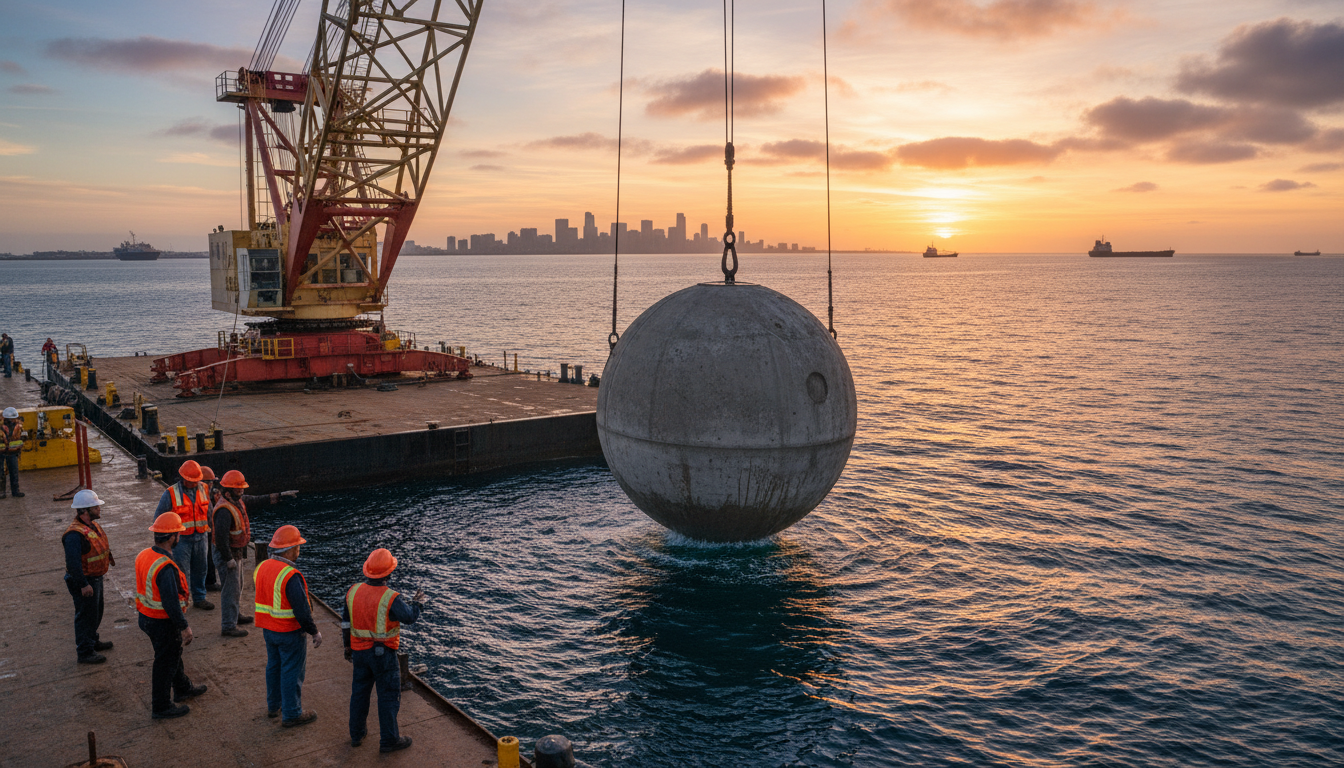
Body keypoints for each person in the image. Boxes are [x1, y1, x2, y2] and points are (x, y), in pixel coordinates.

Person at [343, 548, 424, 753]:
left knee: (359, 693)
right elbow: (408, 617)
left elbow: (345, 623)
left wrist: (347, 646)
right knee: (387, 696)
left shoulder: (353, 591)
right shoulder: (390, 597)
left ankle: (356, 734)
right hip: (383, 655)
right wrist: (418, 604)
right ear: (389, 573)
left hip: (359, 652)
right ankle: (389, 740)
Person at [135, 513, 208, 719]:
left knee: (171, 653)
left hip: (146, 617)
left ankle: (182, 687)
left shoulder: (145, 555)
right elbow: (170, 602)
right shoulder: (165, 567)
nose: (179, 538)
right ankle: (161, 706)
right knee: (165, 661)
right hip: (161, 621)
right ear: (171, 537)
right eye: (178, 534)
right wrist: (184, 626)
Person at [212, 470, 294, 638]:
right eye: (239, 488)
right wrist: (228, 559)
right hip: (227, 554)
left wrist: (278, 496)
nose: (242, 491)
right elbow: (221, 539)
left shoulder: (236, 501)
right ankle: (228, 625)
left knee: (238, 586)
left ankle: (235, 616)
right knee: (230, 589)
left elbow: (256, 500)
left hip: (235, 552)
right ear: (228, 491)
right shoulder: (224, 511)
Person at [255, 524, 323, 726]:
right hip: (289, 632)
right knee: (291, 671)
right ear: (290, 549)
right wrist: (314, 632)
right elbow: (301, 610)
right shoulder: (290, 575)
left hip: (268, 629)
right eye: (298, 546)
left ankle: (273, 706)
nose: (299, 550)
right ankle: (292, 713)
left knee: (274, 667)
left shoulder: (263, 567)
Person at [63, 489, 115, 664]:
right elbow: (73, 564)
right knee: (85, 616)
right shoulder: (74, 535)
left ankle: (92, 641)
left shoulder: (91, 525)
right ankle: (85, 652)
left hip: (95, 577)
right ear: (85, 510)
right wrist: (83, 584)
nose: (99, 509)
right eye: (95, 506)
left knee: (95, 613)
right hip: (85, 580)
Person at [155, 459, 213, 610]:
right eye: (190, 481)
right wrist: (163, 542)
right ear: (183, 478)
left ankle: (199, 598)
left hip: (201, 537)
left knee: (201, 569)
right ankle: (181, 601)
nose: (193, 483)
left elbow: (210, 513)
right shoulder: (170, 493)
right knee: (182, 572)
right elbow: (159, 517)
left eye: (195, 481)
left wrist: (214, 532)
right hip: (181, 541)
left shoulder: (204, 489)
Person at [1, 407, 23, 498]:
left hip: (13, 452)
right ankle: (2, 493)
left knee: (14, 472)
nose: (14, 420)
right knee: (1, 473)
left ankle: (15, 491)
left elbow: (20, 437)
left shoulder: (18, 426)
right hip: (2, 452)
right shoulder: (1, 427)